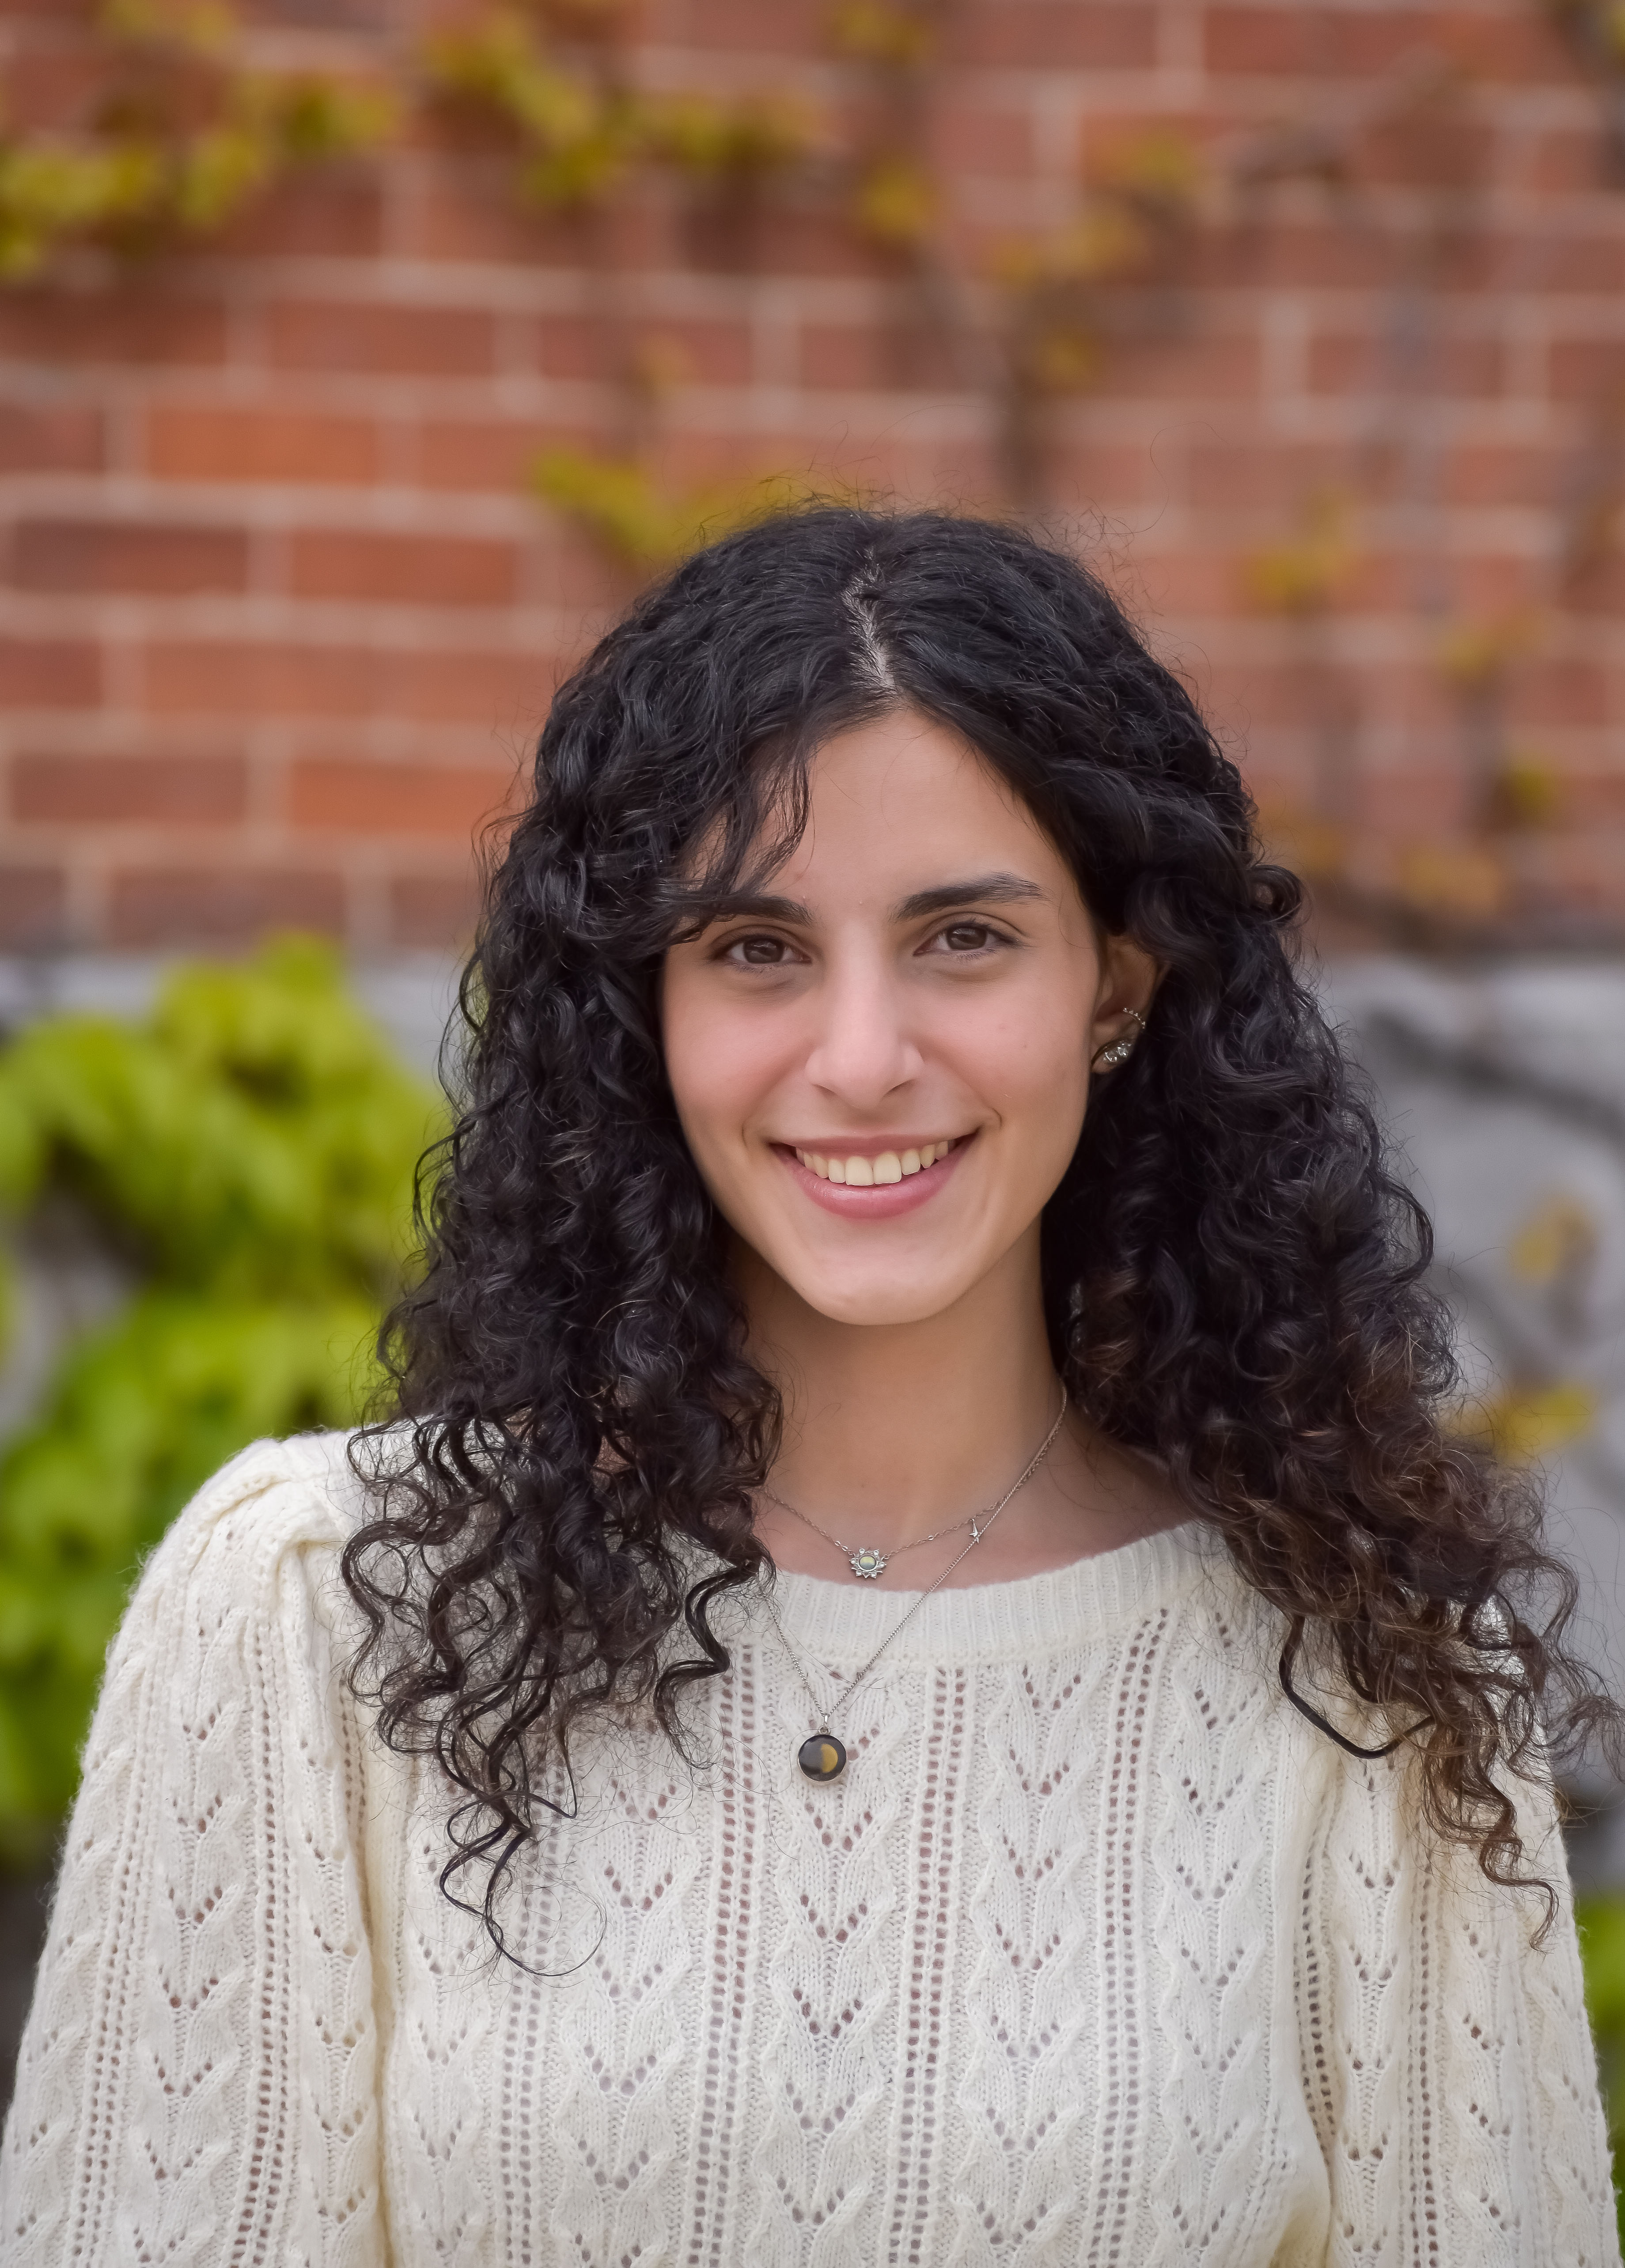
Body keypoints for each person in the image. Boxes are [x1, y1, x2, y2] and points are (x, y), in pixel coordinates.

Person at [0, 507, 1617, 2267]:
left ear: (1116, 987)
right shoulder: (317, 1607)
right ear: (651, 1011)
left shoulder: (1369, 1681)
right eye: (756, 948)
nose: (859, 1060)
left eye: (962, 939)